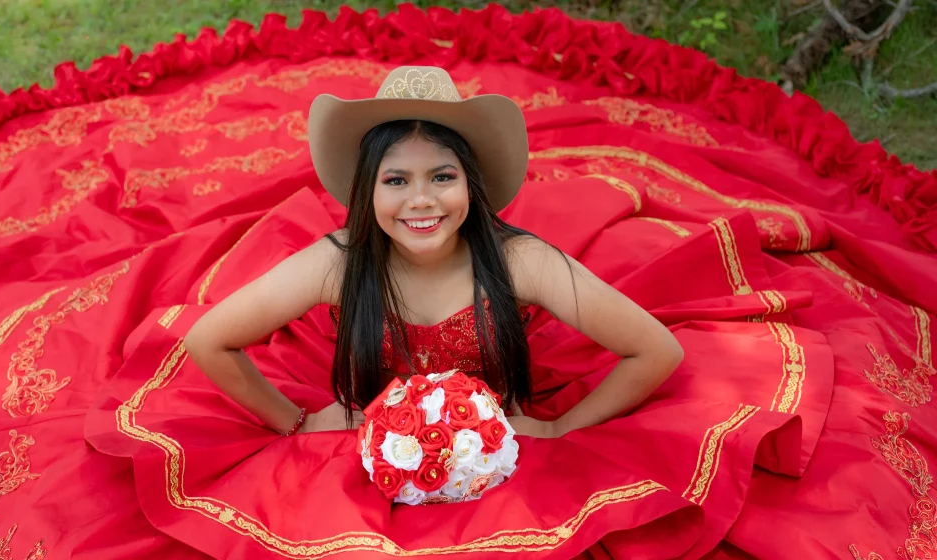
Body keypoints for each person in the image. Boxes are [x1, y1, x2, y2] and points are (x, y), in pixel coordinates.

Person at [183, 66, 684, 440]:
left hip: (498, 456)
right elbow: (208, 339)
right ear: (367, 192)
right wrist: (299, 421)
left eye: (442, 177)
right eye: (396, 180)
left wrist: (561, 430)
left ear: (471, 184)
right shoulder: (339, 261)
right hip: (369, 453)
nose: (421, 200)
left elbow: (657, 351)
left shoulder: (520, 262)